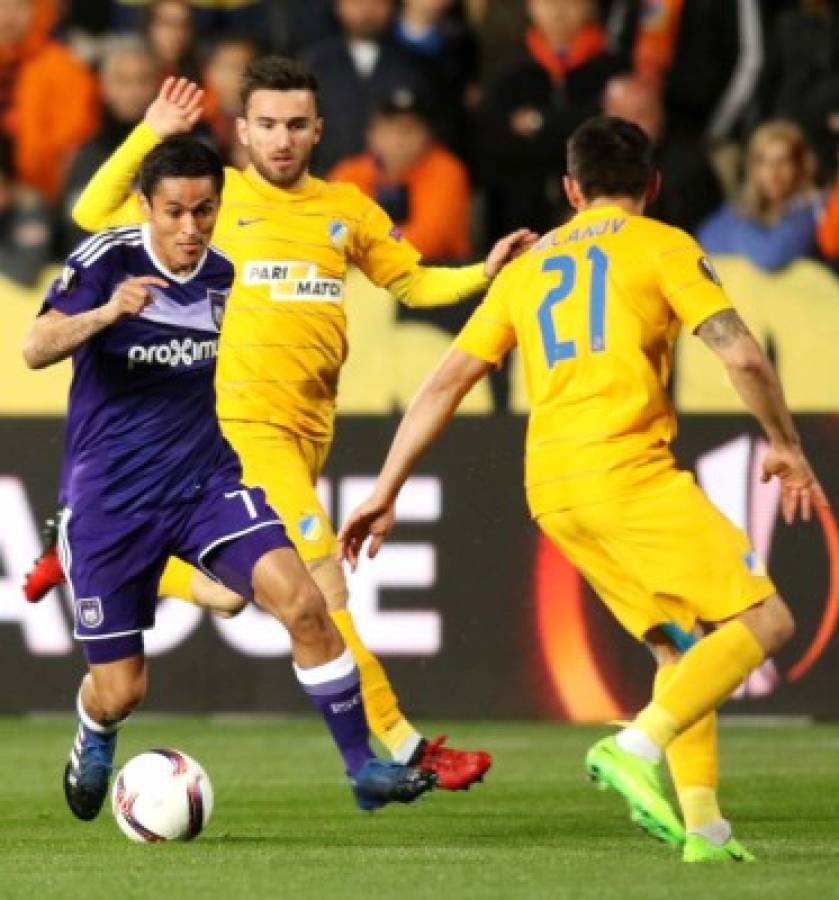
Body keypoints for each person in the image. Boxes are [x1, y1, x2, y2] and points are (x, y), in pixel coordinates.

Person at [338, 116, 827, 862]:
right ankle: (635, 745)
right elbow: (744, 357)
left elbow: (445, 380)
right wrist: (787, 447)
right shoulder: (663, 243)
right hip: (624, 467)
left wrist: (384, 486)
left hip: (552, 487)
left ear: (570, 189)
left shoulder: (528, 268)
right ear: (652, 185)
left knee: (680, 649)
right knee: (766, 620)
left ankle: (704, 830)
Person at [67, 58, 536, 787]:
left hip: (308, 427)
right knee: (321, 587)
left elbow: (412, 281)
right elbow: (93, 215)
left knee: (229, 594)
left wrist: (484, 271)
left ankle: (98, 553)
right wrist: (149, 134)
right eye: (265, 124)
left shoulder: (344, 209)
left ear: (318, 129)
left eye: (294, 125)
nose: (280, 139)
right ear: (241, 130)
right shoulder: (212, 209)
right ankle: (408, 749)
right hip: (237, 424)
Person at [22, 135, 434, 823]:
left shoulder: (221, 273)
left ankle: (363, 769)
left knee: (304, 604)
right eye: (175, 212)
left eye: (204, 211)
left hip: (205, 484)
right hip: (111, 504)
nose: (190, 228)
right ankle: (93, 731)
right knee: (121, 691)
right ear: (147, 207)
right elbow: (35, 349)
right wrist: (105, 314)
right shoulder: (105, 262)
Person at [329, 93, 471, 262]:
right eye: (390, 129)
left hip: (433, 274)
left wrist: (367, 238)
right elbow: (334, 234)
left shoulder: (446, 171)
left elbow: (427, 242)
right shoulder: (349, 173)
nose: (400, 140)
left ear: (427, 135)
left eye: (410, 130)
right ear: (371, 135)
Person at [697, 120, 821, 272]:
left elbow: (770, 257)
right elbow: (705, 240)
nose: (773, 173)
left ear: (800, 165)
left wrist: (739, 228)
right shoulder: (741, 207)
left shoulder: (810, 210)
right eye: (763, 162)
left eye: (782, 161)